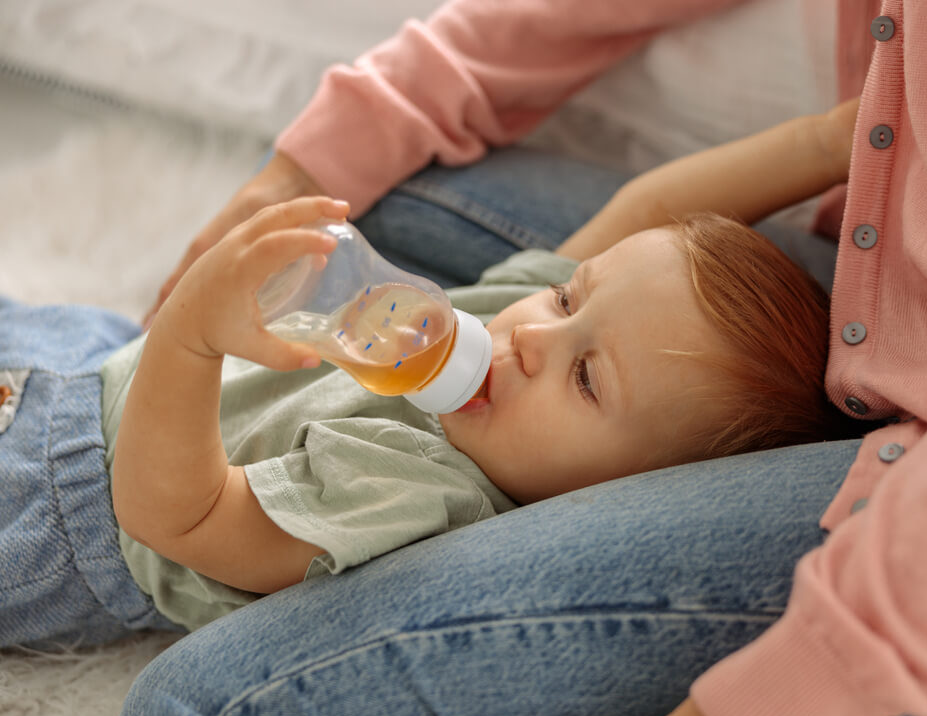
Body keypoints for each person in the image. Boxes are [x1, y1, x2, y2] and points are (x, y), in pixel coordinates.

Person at [114, 2, 927, 716]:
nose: (516, 328)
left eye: (586, 371)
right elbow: (634, 212)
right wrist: (305, 167)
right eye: (565, 300)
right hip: (878, 288)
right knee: (375, 213)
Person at [2, 196, 855, 646]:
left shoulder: (423, 495)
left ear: (624, 498)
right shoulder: (507, 331)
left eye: (588, 379)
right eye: (568, 294)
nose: (532, 338)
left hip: (56, 510)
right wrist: (824, 141)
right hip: (89, 354)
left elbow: (174, 515)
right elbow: (654, 200)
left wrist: (189, 337)